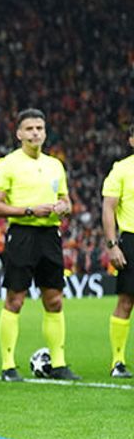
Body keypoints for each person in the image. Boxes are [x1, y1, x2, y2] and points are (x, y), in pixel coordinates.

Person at [0, 108, 79, 382]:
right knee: (15, 299)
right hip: (22, 234)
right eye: (29, 128)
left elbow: (67, 201)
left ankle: (59, 364)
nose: (35, 133)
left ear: (45, 132)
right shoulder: (7, 164)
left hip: (50, 235)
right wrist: (29, 210)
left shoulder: (55, 165)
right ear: (19, 134)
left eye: (39, 128)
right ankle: (8, 366)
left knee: (55, 299)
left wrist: (63, 207)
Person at [101, 124, 134, 378]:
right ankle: (118, 361)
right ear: (131, 140)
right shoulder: (121, 169)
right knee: (126, 301)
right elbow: (109, 208)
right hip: (131, 239)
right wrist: (112, 245)